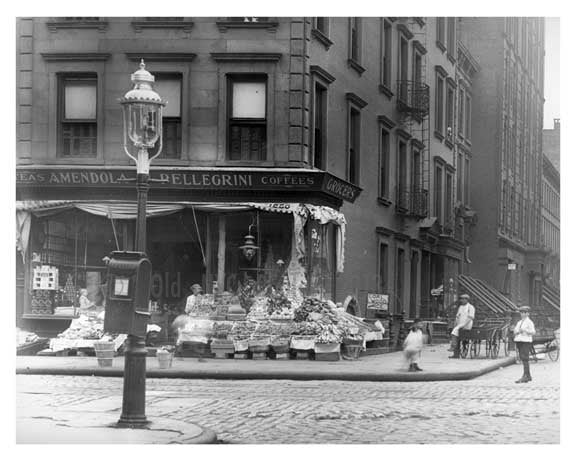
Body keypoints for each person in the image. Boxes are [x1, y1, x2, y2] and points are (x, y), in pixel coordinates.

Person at [513, 305, 536, 383]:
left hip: (526, 341)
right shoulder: (519, 322)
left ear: (528, 314)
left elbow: (533, 332)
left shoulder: (529, 322)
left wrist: (525, 331)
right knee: (522, 358)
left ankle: (525, 376)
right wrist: (517, 331)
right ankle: (528, 375)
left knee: (525, 358)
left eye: (524, 313)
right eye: (521, 312)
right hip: (519, 340)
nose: (522, 314)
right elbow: (515, 330)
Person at [448, 294, 475, 358]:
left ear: (467, 300)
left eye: (463, 299)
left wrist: (464, 325)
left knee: (455, 331)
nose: (462, 300)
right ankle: (455, 354)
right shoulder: (460, 307)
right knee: (455, 332)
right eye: (461, 299)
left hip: (467, 324)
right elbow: (457, 316)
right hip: (460, 324)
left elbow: (470, 317)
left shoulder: (470, 307)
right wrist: (456, 324)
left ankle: (453, 346)